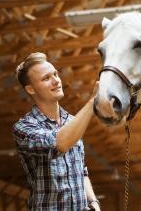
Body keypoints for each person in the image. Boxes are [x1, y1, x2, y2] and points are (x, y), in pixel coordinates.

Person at [13, 52, 100, 211]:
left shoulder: (73, 122)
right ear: (31, 89)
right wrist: (92, 102)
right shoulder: (24, 127)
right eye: (46, 78)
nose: (56, 81)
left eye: (55, 74)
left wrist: (93, 202)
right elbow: (59, 144)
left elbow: (81, 171)